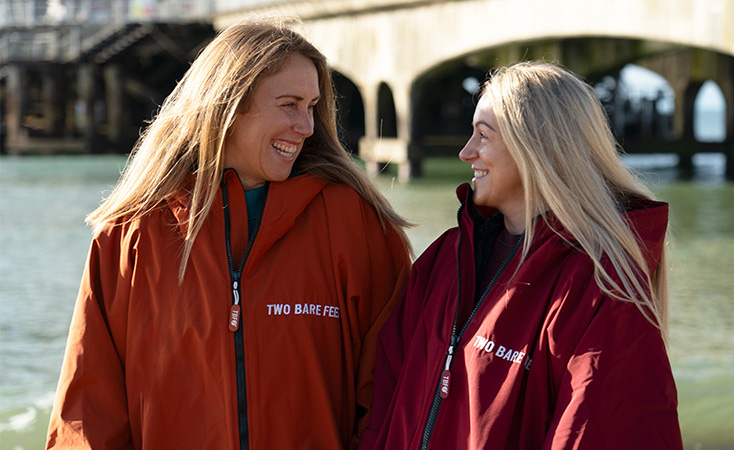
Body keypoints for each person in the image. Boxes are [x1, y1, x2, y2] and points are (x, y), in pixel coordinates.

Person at [46, 15, 411, 450]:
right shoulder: (130, 236)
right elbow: (87, 416)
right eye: (289, 104)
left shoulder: (357, 224)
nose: (307, 126)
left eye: (312, 107)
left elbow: (394, 395)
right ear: (230, 107)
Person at [360, 61, 682, 449]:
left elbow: (597, 432)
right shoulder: (446, 259)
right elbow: (385, 400)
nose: (466, 152)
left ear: (536, 149)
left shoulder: (599, 285)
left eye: (483, 135)